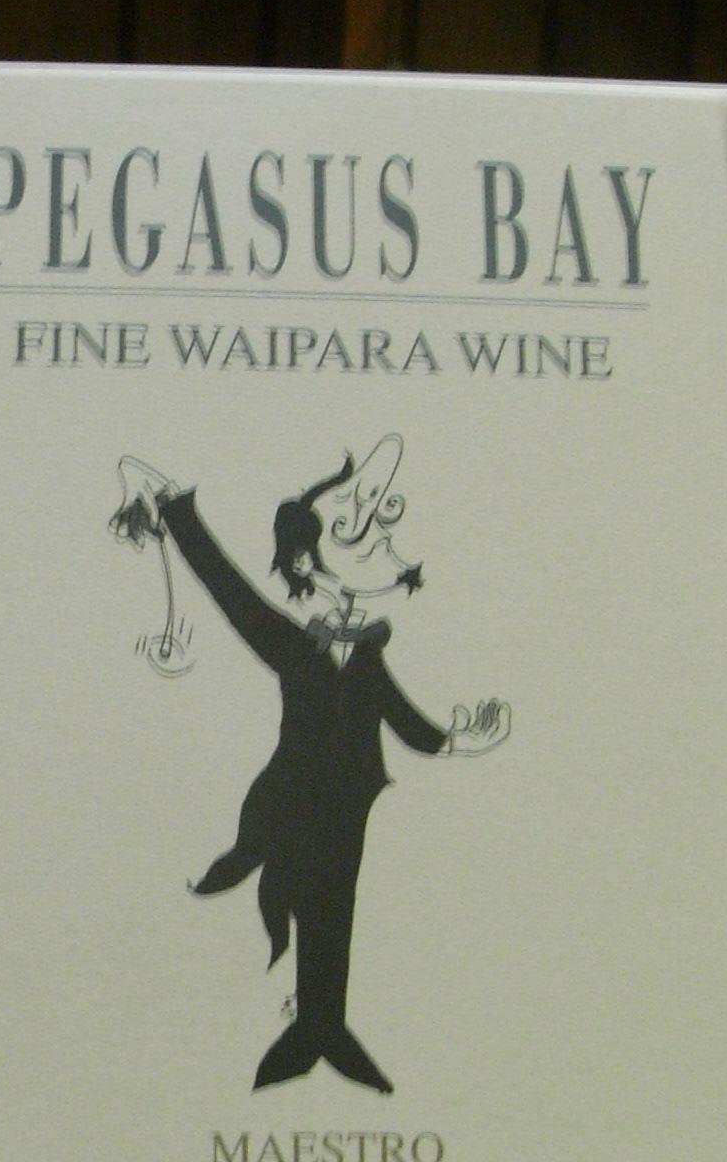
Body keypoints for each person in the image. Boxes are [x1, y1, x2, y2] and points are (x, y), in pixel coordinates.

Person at [116, 440, 507, 1094]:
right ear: (305, 560)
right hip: (296, 804)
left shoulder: (368, 654)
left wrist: (459, 740)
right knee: (312, 905)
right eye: (362, 534)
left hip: (352, 805)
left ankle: (326, 1029)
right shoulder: (296, 647)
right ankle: (310, 1032)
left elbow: (402, 719)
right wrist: (175, 508)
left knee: (336, 913)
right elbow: (228, 589)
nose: (390, 551)